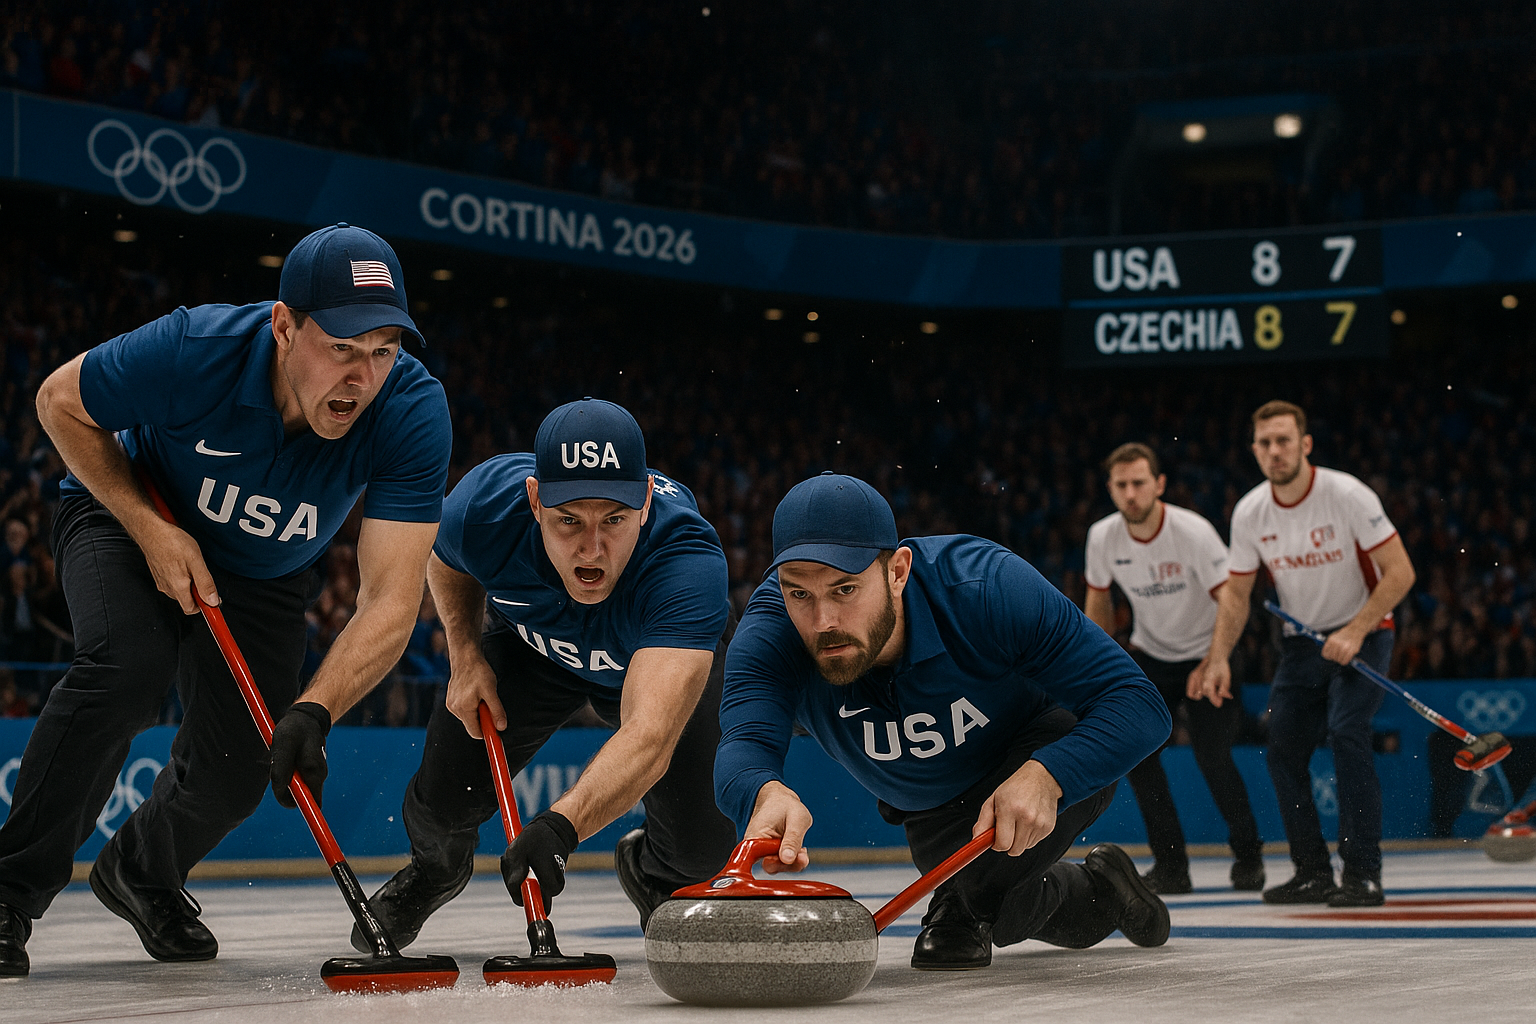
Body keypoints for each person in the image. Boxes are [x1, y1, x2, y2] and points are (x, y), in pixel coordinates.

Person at [0, 224, 452, 978]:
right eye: (340, 347)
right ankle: (8, 892)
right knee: (126, 666)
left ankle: (141, 870)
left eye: (382, 350)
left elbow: (390, 600)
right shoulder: (193, 348)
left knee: (245, 767)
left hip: (267, 575)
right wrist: (149, 528)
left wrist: (316, 710)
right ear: (283, 326)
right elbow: (59, 402)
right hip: (131, 510)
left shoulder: (410, 412)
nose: (361, 376)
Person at [716, 472, 1173, 971]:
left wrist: (1051, 774)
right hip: (931, 807)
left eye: (845, 589)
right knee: (1007, 914)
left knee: (969, 904)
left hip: (1035, 747)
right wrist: (761, 792)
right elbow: (743, 743)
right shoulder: (768, 636)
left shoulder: (985, 587)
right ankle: (1104, 886)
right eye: (798, 593)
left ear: (898, 571)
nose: (823, 621)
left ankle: (965, 899)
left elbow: (1139, 704)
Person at [358, 397, 736, 949]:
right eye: (569, 521)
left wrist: (561, 826)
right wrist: (465, 656)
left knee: (701, 849)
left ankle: (652, 870)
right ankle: (435, 872)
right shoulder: (486, 506)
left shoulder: (688, 563)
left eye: (614, 519)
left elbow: (650, 738)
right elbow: (446, 560)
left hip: (648, 664)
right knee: (442, 800)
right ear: (533, 501)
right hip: (536, 653)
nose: (593, 547)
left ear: (647, 502)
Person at [1192, 400, 1415, 907]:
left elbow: (1400, 571)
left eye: (1284, 440)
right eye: (1265, 443)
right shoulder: (1250, 511)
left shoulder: (1346, 493)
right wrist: (1219, 656)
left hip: (1366, 630)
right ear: (1254, 450)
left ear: (1305, 443)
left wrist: (1356, 630)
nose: (1275, 451)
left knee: (1346, 732)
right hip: (1301, 645)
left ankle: (1363, 872)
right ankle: (1312, 870)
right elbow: (1236, 593)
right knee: (1281, 751)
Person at [1084, 443, 1264, 894]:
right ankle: (1171, 868)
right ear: (1110, 489)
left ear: (1159, 485)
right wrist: (1089, 669)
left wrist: (1217, 658)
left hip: (1210, 651)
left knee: (1213, 756)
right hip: (1151, 655)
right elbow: (1099, 603)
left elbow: (1233, 599)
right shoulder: (1102, 536)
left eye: (1139, 483)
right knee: (1140, 758)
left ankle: (1249, 857)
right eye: (1121, 485)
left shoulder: (1193, 531)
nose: (1131, 494)